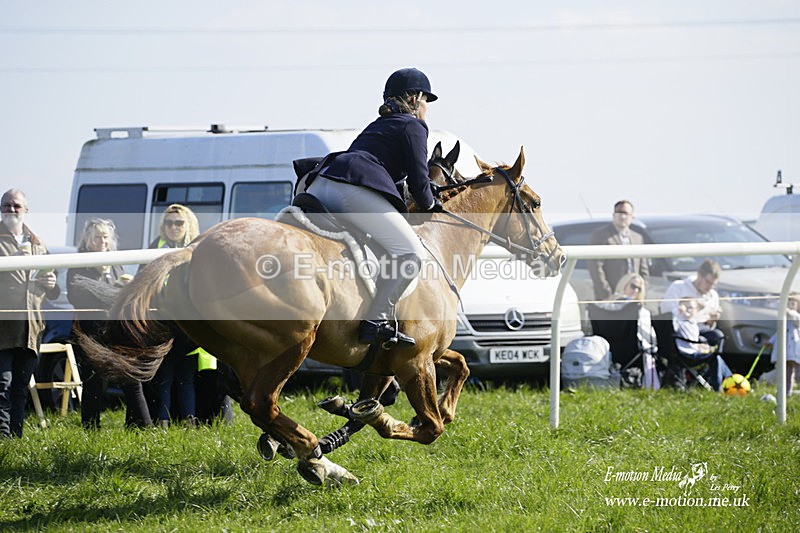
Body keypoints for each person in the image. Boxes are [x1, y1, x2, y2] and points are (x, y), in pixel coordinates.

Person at [303, 67, 442, 348]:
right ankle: (375, 321)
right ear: (414, 99)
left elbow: (390, 175)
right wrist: (430, 203)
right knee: (411, 253)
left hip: (321, 183)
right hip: (351, 189)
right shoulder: (413, 126)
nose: (427, 107)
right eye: (426, 99)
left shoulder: (377, 125)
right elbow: (419, 181)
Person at [67, 218, 151, 429]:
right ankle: (90, 432)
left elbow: (122, 298)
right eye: (97, 237)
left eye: (105, 237)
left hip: (117, 332)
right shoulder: (78, 265)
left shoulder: (116, 263)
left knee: (132, 381)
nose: (102, 241)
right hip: (91, 335)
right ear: (87, 240)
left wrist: (127, 288)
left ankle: (142, 428)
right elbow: (77, 295)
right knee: (94, 384)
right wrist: (116, 290)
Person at [0, 189, 60, 438]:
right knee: (2, 385)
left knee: (21, 388)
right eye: (6, 205)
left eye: (16, 205)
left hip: (31, 328)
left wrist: (51, 283)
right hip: (3, 328)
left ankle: (16, 436)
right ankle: (2, 438)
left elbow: (54, 291)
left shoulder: (38, 243)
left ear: (26, 210)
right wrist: (14, 258)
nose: (11, 210)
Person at [146, 204, 201, 427]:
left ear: (188, 225)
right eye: (169, 223)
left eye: (179, 222)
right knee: (164, 375)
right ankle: (163, 421)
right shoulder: (153, 248)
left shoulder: (197, 248)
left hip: (189, 322)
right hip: (162, 321)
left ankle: (189, 420)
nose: (173, 227)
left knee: (186, 376)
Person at [597, 273, 659, 389]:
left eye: (639, 288)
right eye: (633, 286)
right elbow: (650, 341)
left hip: (605, 352)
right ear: (623, 285)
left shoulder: (601, 306)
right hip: (631, 353)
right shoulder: (641, 311)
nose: (635, 291)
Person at [588, 200, 649, 301]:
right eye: (619, 213)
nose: (622, 216)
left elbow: (644, 269)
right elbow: (595, 266)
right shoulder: (601, 235)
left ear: (632, 216)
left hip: (634, 297)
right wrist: (606, 294)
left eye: (626, 213)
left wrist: (642, 292)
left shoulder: (638, 238)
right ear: (613, 215)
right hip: (611, 296)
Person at [660, 258, 724, 348]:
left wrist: (711, 321)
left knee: (718, 336)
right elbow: (666, 313)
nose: (710, 287)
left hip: (701, 332)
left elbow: (709, 325)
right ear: (699, 275)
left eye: (713, 284)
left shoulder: (713, 295)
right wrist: (687, 310)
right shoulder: (678, 287)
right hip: (680, 332)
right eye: (708, 282)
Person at [673, 297, 732, 391]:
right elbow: (672, 317)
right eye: (685, 307)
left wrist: (703, 344)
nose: (688, 309)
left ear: (696, 311)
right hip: (687, 354)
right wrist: (679, 310)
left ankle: (731, 382)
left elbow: (696, 337)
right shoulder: (679, 320)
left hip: (694, 350)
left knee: (717, 356)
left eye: (691, 307)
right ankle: (721, 388)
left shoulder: (692, 322)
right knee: (715, 357)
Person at [768, 293, 800, 394]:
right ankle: (787, 392)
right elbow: (778, 333)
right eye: (788, 303)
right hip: (785, 352)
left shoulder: (796, 317)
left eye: (793, 304)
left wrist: (788, 311)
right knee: (787, 372)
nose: (790, 306)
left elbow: (795, 317)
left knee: (797, 372)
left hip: (794, 351)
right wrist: (770, 342)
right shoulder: (784, 320)